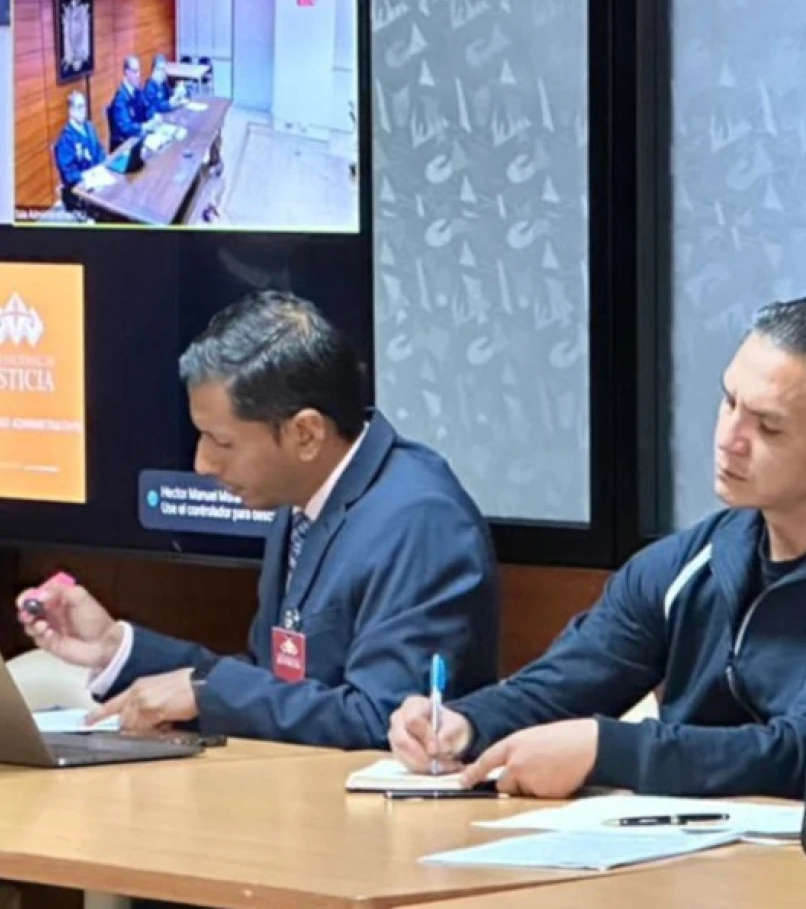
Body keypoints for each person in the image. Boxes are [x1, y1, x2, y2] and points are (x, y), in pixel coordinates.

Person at [389, 296, 806, 799]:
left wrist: (608, 750)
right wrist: (463, 723)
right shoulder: (693, 558)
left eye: (768, 427)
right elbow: (569, 682)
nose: (729, 439)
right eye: (728, 402)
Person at [17, 290, 500, 749]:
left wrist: (208, 693)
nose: (203, 463)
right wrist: (117, 648)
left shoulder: (422, 521)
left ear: (306, 434)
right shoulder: (303, 496)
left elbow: (385, 720)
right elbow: (274, 680)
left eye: (221, 441)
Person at [52, 90, 106, 212]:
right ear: (71, 111)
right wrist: (86, 176)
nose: (83, 110)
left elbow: (99, 150)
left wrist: (102, 166)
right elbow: (69, 175)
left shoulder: (89, 127)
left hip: (97, 179)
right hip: (80, 188)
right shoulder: (66, 139)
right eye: (79, 107)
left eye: (84, 106)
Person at [107, 55, 157, 151]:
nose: (138, 75)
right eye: (135, 71)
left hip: (139, 139)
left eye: (138, 71)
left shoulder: (137, 90)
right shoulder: (120, 100)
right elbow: (126, 127)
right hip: (124, 146)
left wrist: (153, 116)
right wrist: (144, 127)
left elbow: (147, 107)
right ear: (127, 73)